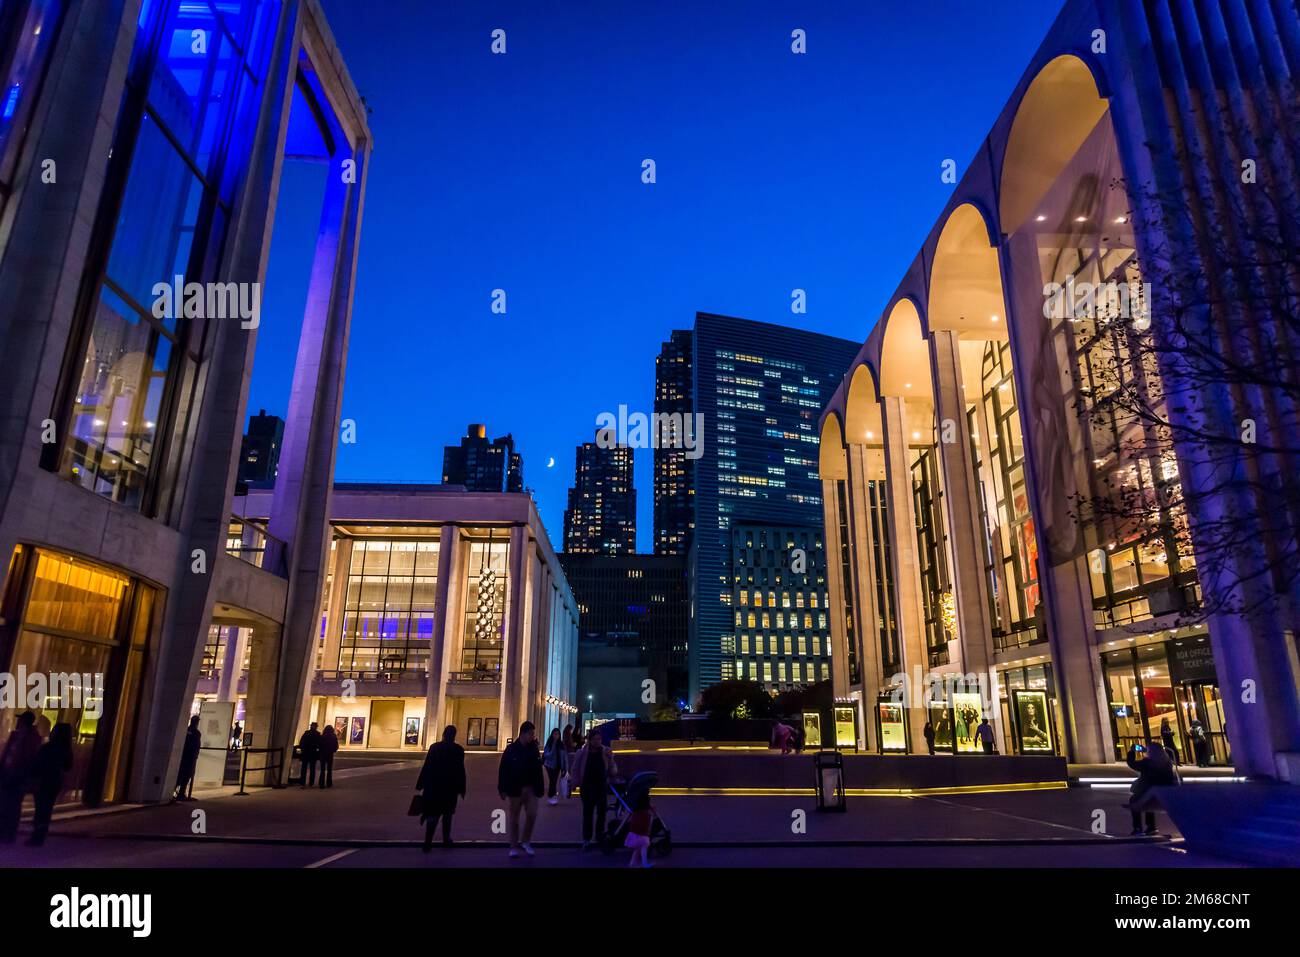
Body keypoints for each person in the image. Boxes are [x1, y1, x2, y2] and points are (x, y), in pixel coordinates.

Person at [497, 721, 544, 857]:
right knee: (514, 818)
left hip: (531, 788)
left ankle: (525, 840)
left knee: (532, 814)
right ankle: (513, 845)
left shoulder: (533, 749)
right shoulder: (511, 749)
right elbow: (503, 769)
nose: (532, 736)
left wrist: (540, 788)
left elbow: (538, 769)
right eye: (531, 734)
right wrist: (502, 788)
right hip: (515, 788)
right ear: (523, 733)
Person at [416, 725, 466, 850]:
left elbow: (427, 766)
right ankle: (446, 839)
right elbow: (460, 770)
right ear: (454, 736)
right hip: (450, 788)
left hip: (433, 787)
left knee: (432, 815)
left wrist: (420, 784)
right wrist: (462, 788)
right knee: (447, 815)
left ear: (444, 734)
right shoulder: (458, 750)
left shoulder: (434, 748)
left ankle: (428, 842)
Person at [569, 728, 618, 851]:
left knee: (602, 813)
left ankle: (599, 836)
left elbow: (613, 770)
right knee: (588, 813)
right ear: (589, 740)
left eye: (599, 739)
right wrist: (574, 784)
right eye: (595, 739)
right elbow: (575, 769)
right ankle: (587, 839)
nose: (597, 742)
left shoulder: (605, 751)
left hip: (601, 786)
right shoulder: (582, 753)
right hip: (587, 787)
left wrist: (611, 758)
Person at [27, 722, 73, 847]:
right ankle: (40, 834)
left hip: (43, 781)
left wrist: (33, 778)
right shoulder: (66, 750)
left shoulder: (48, 748)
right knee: (46, 809)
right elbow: (68, 766)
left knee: (41, 808)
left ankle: (37, 835)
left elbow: (37, 764)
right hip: (54, 782)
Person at [0, 712, 42, 842]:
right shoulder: (15, 735)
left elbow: (29, 758)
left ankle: (9, 832)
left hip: (18, 776)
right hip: (8, 773)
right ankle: (4, 831)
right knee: (5, 803)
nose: (18, 723)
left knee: (13, 805)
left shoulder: (32, 737)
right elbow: (7, 753)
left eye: (20, 720)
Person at [1125, 741, 1179, 835]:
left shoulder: (1148, 763)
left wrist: (1132, 752)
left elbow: (1132, 764)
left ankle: (1138, 828)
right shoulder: (1167, 763)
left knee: (1134, 800)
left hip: (1150, 793)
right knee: (1148, 799)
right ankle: (1151, 826)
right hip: (1162, 794)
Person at [174, 715, 201, 802]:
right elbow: (196, 745)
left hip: (183, 756)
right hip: (190, 757)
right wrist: (195, 755)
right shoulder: (196, 733)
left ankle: (175, 791)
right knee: (187, 774)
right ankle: (181, 793)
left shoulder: (185, 730)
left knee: (181, 774)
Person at [625, 792, 655, 868]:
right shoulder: (646, 814)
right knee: (643, 847)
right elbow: (647, 826)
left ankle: (632, 863)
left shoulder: (635, 813)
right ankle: (644, 864)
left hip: (633, 833)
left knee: (638, 848)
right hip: (642, 834)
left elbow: (630, 822)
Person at [542, 728, 565, 805]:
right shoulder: (549, 743)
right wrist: (553, 748)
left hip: (557, 765)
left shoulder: (561, 744)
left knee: (554, 780)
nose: (556, 736)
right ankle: (552, 796)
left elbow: (563, 756)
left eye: (557, 734)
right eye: (554, 734)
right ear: (552, 735)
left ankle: (552, 796)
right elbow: (546, 755)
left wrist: (564, 767)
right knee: (552, 779)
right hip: (549, 765)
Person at [298, 721, 322, 788]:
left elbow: (301, 743)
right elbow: (320, 745)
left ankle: (302, 782)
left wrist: (303, 750)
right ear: (316, 727)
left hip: (305, 753)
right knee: (312, 768)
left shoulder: (306, 734)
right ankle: (311, 783)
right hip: (313, 754)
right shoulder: (318, 735)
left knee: (304, 768)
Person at [318, 724, 339, 789]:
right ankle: (329, 783)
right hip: (330, 754)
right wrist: (333, 750)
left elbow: (319, 745)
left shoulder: (322, 736)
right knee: (329, 769)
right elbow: (336, 746)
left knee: (322, 769)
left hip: (323, 754)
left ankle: (321, 784)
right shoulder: (333, 736)